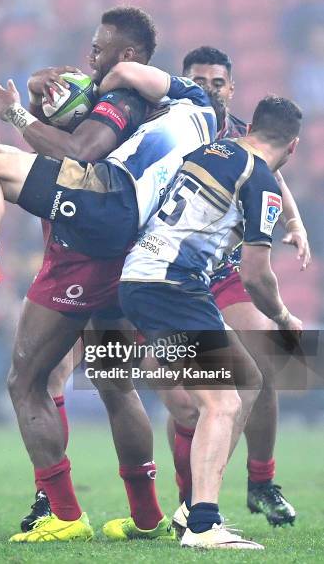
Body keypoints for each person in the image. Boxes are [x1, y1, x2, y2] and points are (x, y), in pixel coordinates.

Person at [0, 54, 219, 542]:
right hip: (121, 259)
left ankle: (64, 512)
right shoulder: (152, 118)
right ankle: (146, 515)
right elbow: (27, 152)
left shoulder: (113, 112)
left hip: (80, 263)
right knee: (115, 385)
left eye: (99, 51)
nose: (91, 59)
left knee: (27, 380)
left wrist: (17, 114)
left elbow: (70, 152)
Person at [115, 95, 303, 549]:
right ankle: (203, 523)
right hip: (173, 287)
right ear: (293, 147)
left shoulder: (210, 152)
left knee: (244, 383)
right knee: (220, 403)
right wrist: (281, 316)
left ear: (252, 126)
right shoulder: (259, 179)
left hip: (142, 278)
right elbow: (256, 275)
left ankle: (193, 509)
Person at [163, 46, 310, 528]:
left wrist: (295, 222)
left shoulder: (242, 134)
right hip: (170, 269)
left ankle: (262, 482)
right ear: (181, 83)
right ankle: (190, 502)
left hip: (222, 270)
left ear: (231, 88)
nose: (208, 89)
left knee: (265, 362)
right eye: (197, 80)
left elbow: (270, 175)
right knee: (189, 400)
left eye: (217, 82)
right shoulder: (164, 127)